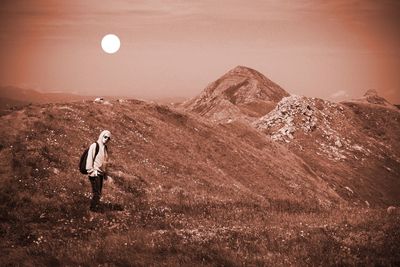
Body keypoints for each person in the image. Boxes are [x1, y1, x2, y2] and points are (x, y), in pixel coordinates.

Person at [86, 130, 111, 212]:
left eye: (108, 138)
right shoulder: (95, 145)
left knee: (98, 192)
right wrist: (91, 171)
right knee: (97, 192)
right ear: (101, 136)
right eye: (105, 137)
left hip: (100, 173)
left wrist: (105, 173)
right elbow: (89, 159)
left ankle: (94, 207)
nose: (106, 139)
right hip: (95, 172)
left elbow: (105, 161)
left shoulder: (105, 148)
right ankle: (93, 209)